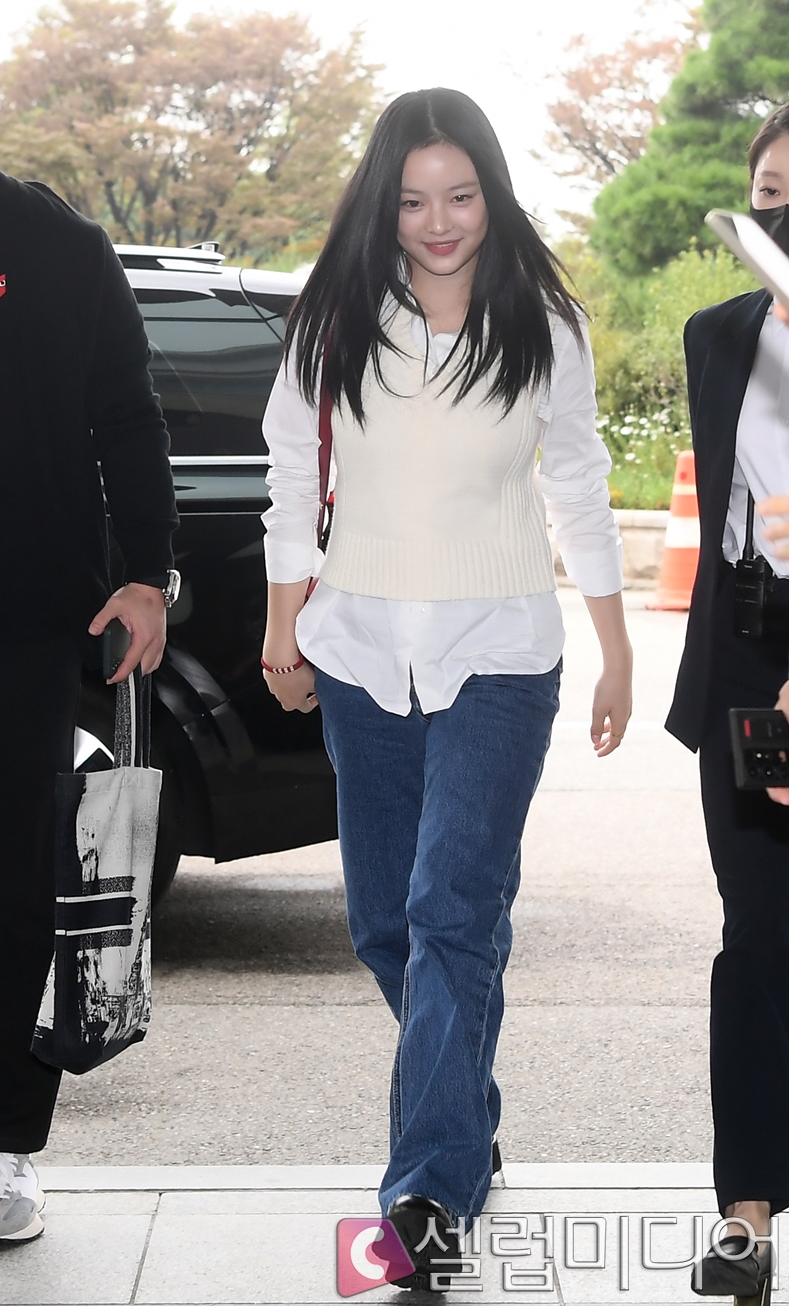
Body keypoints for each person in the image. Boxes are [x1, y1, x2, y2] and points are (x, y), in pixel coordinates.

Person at [261, 86, 632, 1289]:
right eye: (414, 200)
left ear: (491, 194)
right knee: (386, 922)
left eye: (460, 196)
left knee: (449, 911)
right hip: (359, 653)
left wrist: (617, 648)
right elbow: (291, 474)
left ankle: (424, 1189)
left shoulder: (545, 323)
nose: (438, 222)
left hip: (500, 653)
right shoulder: (331, 318)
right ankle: (465, 1116)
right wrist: (282, 627)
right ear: (384, 202)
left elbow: (576, 483)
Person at [0, 20, 179, 1242]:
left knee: (17, 891)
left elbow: (129, 418)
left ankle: (5, 1143)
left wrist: (148, 575)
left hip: (23, 625)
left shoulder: (58, 246)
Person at [666, 102, 789, 1304]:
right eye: (768, 193)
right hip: (751, 667)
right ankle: (743, 1212)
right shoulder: (715, 337)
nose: (782, 213)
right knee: (755, 927)